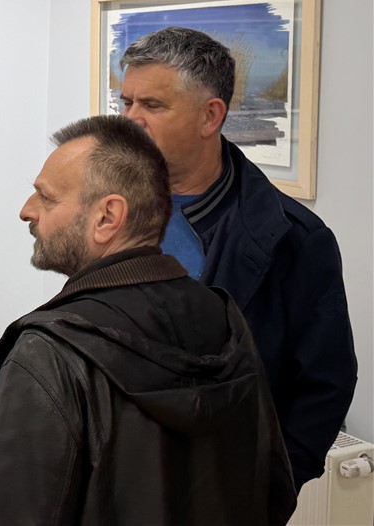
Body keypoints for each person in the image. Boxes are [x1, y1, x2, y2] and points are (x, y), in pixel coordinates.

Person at [0, 115, 296, 526]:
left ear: (107, 217)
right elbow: (274, 490)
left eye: (46, 197)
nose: (27, 211)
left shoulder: (49, 353)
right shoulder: (224, 320)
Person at [119, 26, 357, 491]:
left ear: (210, 116)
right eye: (126, 102)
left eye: (152, 105)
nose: (131, 120)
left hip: (220, 489)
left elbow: (325, 383)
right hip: (117, 476)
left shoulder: (294, 239)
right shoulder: (111, 209)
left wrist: (270, 489)